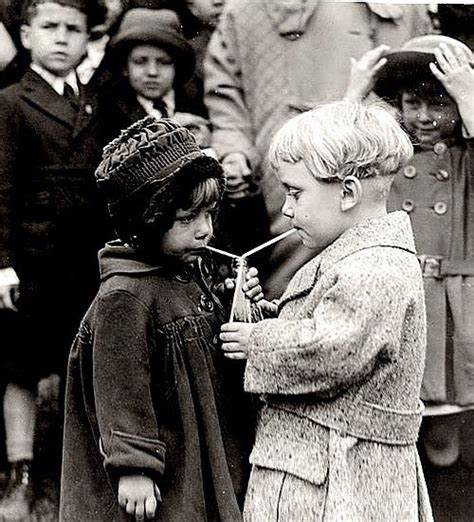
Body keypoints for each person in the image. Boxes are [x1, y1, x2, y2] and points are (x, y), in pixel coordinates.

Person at [220, 100, 433, 520]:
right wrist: (260, 313)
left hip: (343, 480)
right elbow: (317, 324)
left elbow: (333, 349)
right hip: (320, 469)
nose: (287, 209)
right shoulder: (344, 254)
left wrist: (257, 341)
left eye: (296, 193)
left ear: (348, 192)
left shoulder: (377, 266)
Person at [60, 117, 260, 521]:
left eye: (210, 213)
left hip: (201, 443)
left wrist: (238, 304)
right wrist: (134, 465)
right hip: (160, 459)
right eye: (188, 219)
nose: (205, 231)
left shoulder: (189, 269)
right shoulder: (125, 296)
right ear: (147, 220)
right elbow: (119, 388)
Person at [205, 1, 432, 299]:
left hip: (390, 165)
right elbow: (224, 91)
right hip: (291, 162)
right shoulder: (248, 9)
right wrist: (234, 150)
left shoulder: (406, 8)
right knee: (296, 267)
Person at [0, 0, 109, 517]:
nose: (61, 38)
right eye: (49, 28)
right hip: (30, 256)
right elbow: (0, 188)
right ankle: (18, 472)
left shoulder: (96, 103)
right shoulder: (11, 102)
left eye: (73, 29)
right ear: (25, 36)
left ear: (88, 39)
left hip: (82, 259)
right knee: (20, 365)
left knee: (78, 360)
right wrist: (2, 263)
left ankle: (74, 471)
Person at [346, 35, 474, 471]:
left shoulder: (464, 160)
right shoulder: (385, 155)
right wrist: (354, 93)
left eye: (439, 104)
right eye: (412, 103)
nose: (423, 117)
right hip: (395, 294)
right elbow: (335, 154)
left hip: (451, 303)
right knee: (392, 416)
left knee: (442, 433)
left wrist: (467, 92)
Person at [102, 7, 198, 142]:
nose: (152, 72)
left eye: (164, 62)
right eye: (140, 62)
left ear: (177, 66)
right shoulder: (107, 114)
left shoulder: (196, 103)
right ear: (124, 67)